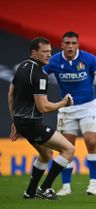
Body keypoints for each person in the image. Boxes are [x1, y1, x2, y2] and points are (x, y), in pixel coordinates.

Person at [43, 31, 96, 196]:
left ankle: (93, 184)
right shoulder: (54, 60)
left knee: (91, 142)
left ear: (78, 44)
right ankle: (66, 186)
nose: (70, 46)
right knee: (66, 147)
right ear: (62, 44)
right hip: (66, 108)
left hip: (88, 106)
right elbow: (39, 76)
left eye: (73, 43)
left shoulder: (88, 59)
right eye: (67, 43)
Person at [8, 37, 75, 200]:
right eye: (45, 52)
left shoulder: (22, 66)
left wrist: (14, 120)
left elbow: (11, 93)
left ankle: (30, 192)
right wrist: (63, 103)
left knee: (45, 155)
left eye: (50, 52)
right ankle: (45, 188)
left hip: (22, 121)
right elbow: (43, 107)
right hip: (32, 125)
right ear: (34, 52)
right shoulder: (39, 75)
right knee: (69, 149)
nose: (49, 55)